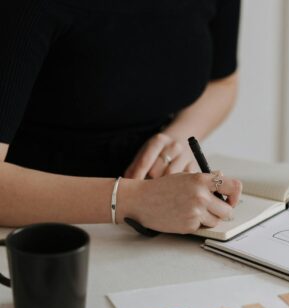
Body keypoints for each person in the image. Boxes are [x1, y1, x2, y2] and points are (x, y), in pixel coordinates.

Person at [0, 0, 242, 233]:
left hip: (158, 215)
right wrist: (136, 200)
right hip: (34, 230)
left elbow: (221, 83)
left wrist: (176, 139)